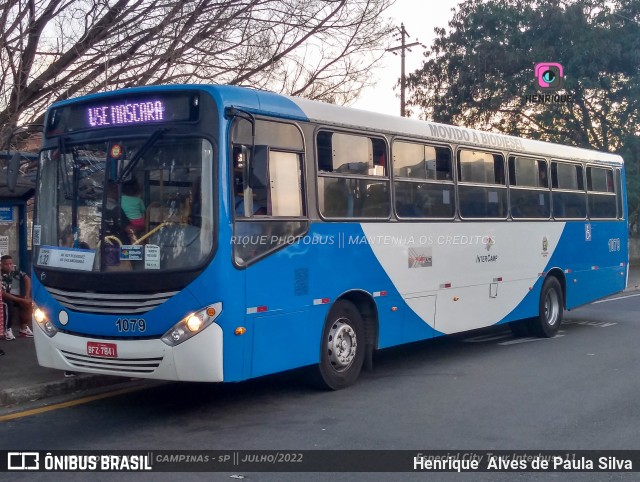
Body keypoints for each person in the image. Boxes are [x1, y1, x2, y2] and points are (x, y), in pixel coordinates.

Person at [1, 255, 33, 340]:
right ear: (1, 265)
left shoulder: (13, 271)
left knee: (28, 303)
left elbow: (27, 279)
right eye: (6, 264)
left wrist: (26, 296)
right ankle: (7, 330)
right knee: (8, 304)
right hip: (2, 297)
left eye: (10, 264)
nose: (9, 266)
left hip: (8, 295)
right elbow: (2, 293)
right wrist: (20, 300)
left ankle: (24, 329)